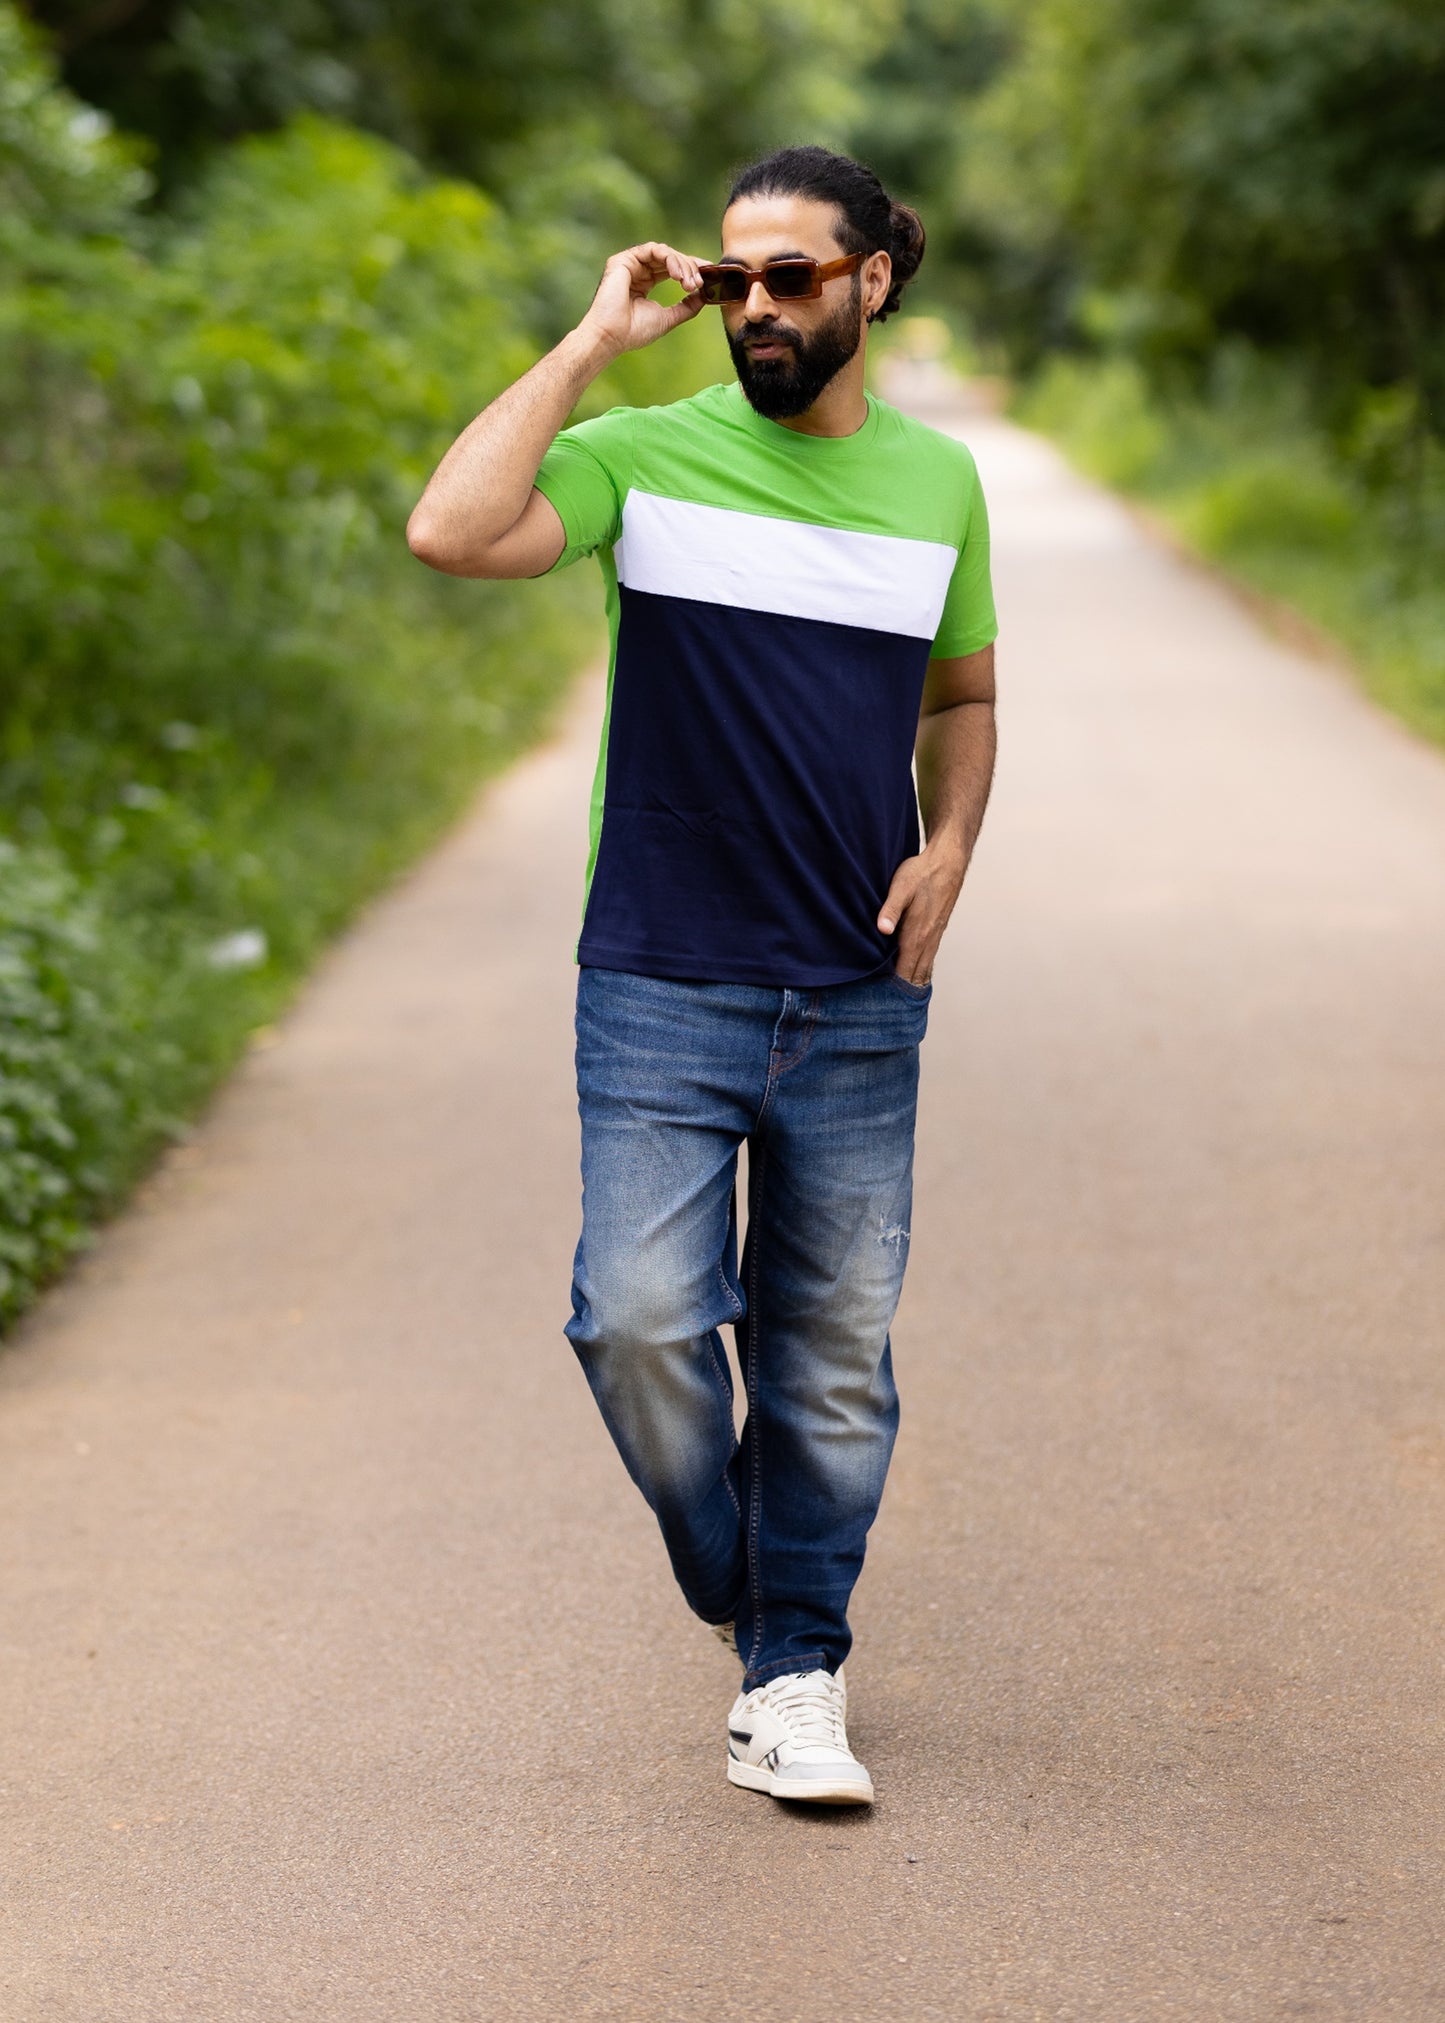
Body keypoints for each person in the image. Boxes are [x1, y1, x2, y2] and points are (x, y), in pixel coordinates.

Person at [407, 145, 997, 1807]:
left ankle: (795, 1669)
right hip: (662, 973)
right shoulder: (641, 458)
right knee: (641, 1321)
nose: (754, 308)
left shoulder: (938, 482)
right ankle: (755, 1591)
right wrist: (592, 341)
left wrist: (950, 848)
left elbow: (960, 703)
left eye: (790, 278)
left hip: (861, 986)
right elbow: (451, 531)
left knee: (826, 1352)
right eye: (734, 281)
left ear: (873, 279)